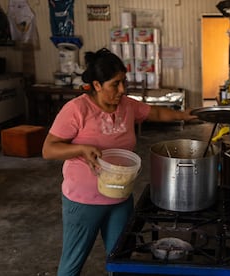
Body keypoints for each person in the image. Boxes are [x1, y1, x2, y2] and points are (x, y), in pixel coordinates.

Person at [42, 47, 196, 276]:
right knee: (72, 263)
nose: (122, 89)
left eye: (124, 82)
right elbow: (48, 149)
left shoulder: (127, 105)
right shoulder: (76, 109)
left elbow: (155, 113)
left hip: (120, 196)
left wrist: (187, 115)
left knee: (121, 260)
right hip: (85, 201)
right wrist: (81, 149)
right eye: (115, 84)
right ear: (96, 85)